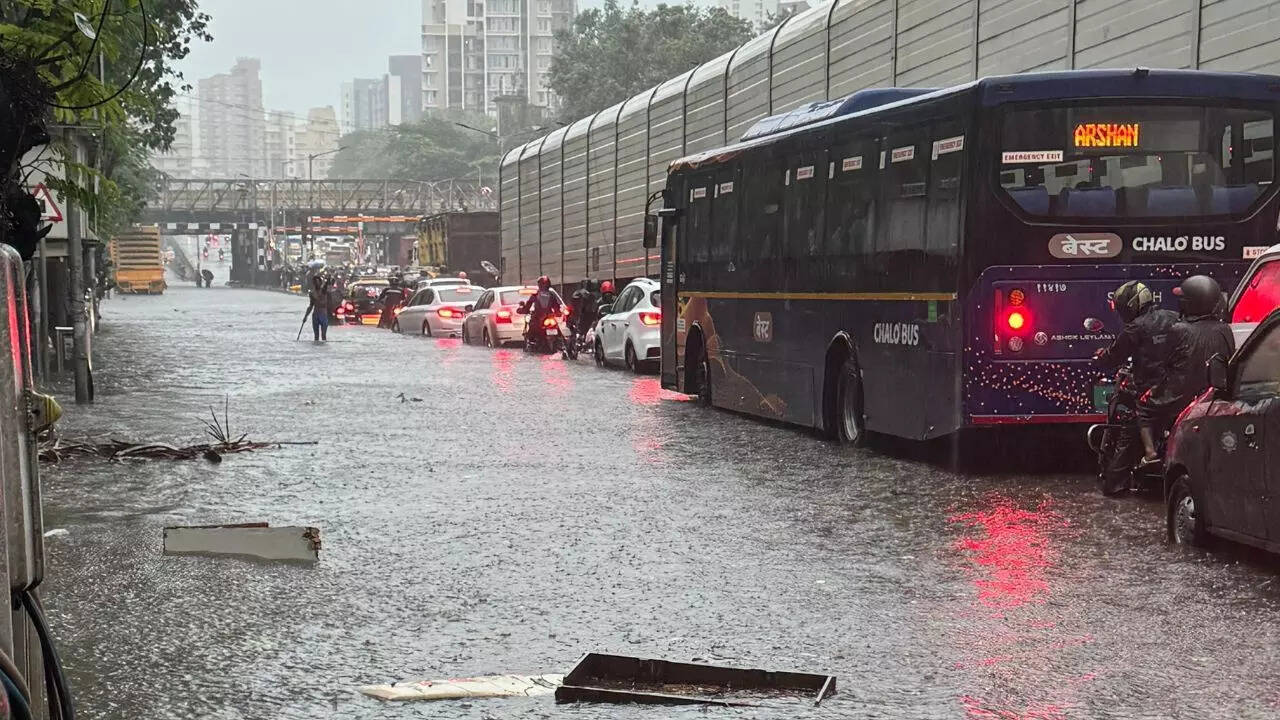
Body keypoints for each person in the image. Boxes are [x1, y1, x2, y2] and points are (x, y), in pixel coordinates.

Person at [1138, 274, 1236, 466]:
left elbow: (1162, 364)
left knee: (1143, 409)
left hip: (1179, 397)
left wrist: (1154, 387)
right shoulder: (1225, 329)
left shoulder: (1178, 330)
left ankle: (1150, 454)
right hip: (1213, 396)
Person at [1091, 280, 1179, 491]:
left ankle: (1116, 482)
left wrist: (1101, 357)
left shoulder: (1135, 328)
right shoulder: (1174, 317)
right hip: (1178, 389)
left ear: (1131, 306)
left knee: (1129, 431)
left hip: (1149, 390)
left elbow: (1113, 356)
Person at [518, 275, 563, 350]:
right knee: (532, 330)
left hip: (541, 317)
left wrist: (524, 310)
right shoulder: (550, 294)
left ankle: (562, 343)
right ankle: (562, 344)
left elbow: (557, 306)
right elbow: (556, 307)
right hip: (545, 317)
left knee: (532, 330)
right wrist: (558, 312)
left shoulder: (537, 295)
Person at [307, 274, 332, 342]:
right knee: (316, 336)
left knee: (323, 335)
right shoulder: (312, 293)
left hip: (323, 315)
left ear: (320, 283)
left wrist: (328, 280)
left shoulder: (323, 290)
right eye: (315, 282)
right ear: (313, 283)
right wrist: (306, 316)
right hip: (315, 315)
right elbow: (311, 305)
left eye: (318, 282)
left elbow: (326, 286)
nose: (317, 284)